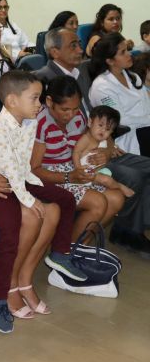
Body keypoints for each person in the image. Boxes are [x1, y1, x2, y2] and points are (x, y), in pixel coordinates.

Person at [0, 71, 86, 333]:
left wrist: (36, 188)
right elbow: (8, 172)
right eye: (35, 98)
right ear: (12, 101)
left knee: (65, 198)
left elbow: (23, 167)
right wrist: (29, 200)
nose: (40, 105)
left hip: (19, 178)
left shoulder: (29, 122)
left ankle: (60, 253)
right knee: (12, 231)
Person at [32, 77, 127, 241]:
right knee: (98, 202)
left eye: (75, 108)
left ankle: (80, 246)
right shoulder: (40, 123)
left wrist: (107, 151)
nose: (70, 115)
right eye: (64, 109)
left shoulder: (79, 117)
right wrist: (70, 177)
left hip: (76, 169)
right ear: (49, 101)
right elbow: (34, 169)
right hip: (51, 176)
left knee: (116, 198)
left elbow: (101, 135)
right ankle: (66, 253)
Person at [89, 32, 150, 155]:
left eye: (127, 50)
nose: (129, 54)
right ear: (110, 60)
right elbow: (119, 121)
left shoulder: (133, 77)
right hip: (128, 138)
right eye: (123, 52)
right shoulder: (102, 86)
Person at [73, 105, 134, 197]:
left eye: (107, 129)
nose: (103, 130)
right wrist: (78, 168)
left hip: (97, 171)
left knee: (109, 177)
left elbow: (110, 146)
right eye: (100, 125)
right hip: (84, 173)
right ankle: (120, 187)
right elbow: (76, 152)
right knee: (106, 180)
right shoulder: (86, 139)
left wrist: (113, 147)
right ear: (90, 122)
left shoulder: (103, 140)